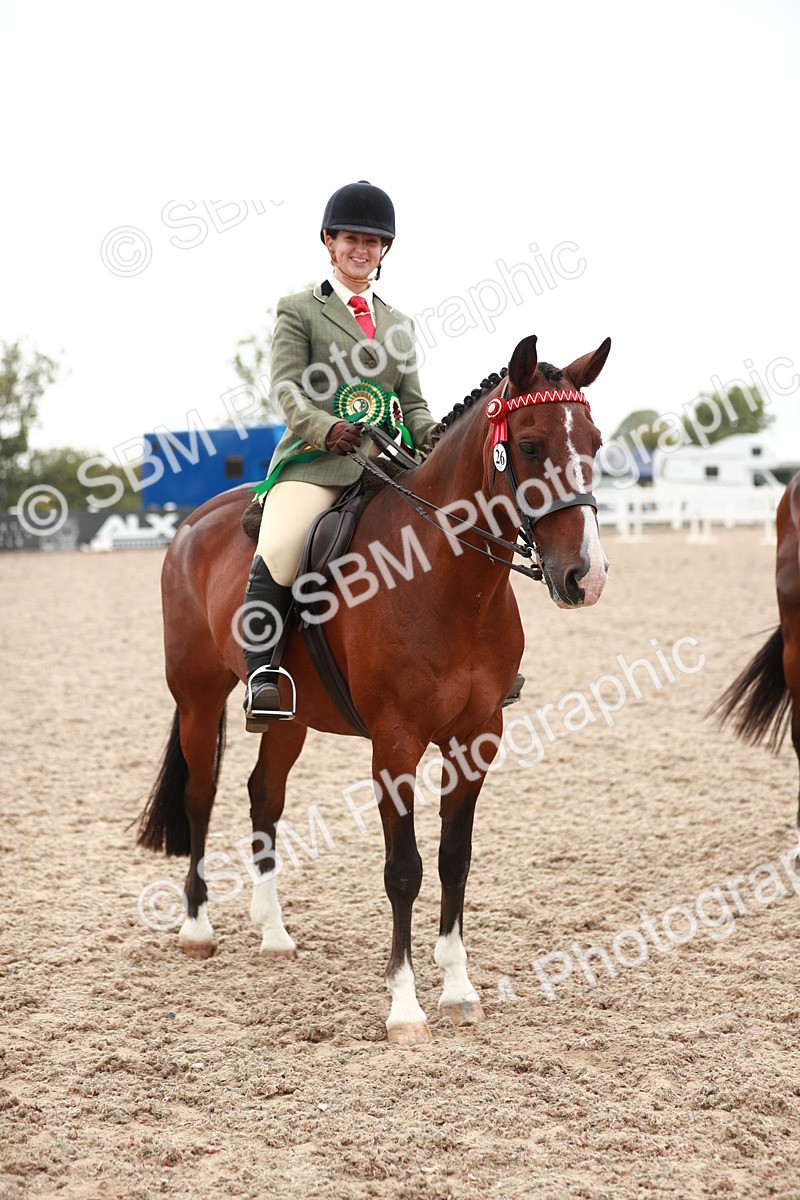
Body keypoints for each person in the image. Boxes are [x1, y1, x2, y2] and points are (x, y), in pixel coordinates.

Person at [242, 180, 439, 731]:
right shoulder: (300, 309)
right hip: (316, 461)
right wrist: (326, 429)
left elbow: (413, 404)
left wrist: (435, 441)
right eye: (352, 238)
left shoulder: (399, 324)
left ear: (385, 250)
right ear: (329, 242)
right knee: (281, 547)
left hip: (385, 463)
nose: (362, 249)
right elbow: (286, 389)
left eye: (374, 241)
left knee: (448, 527)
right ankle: (263, 675)